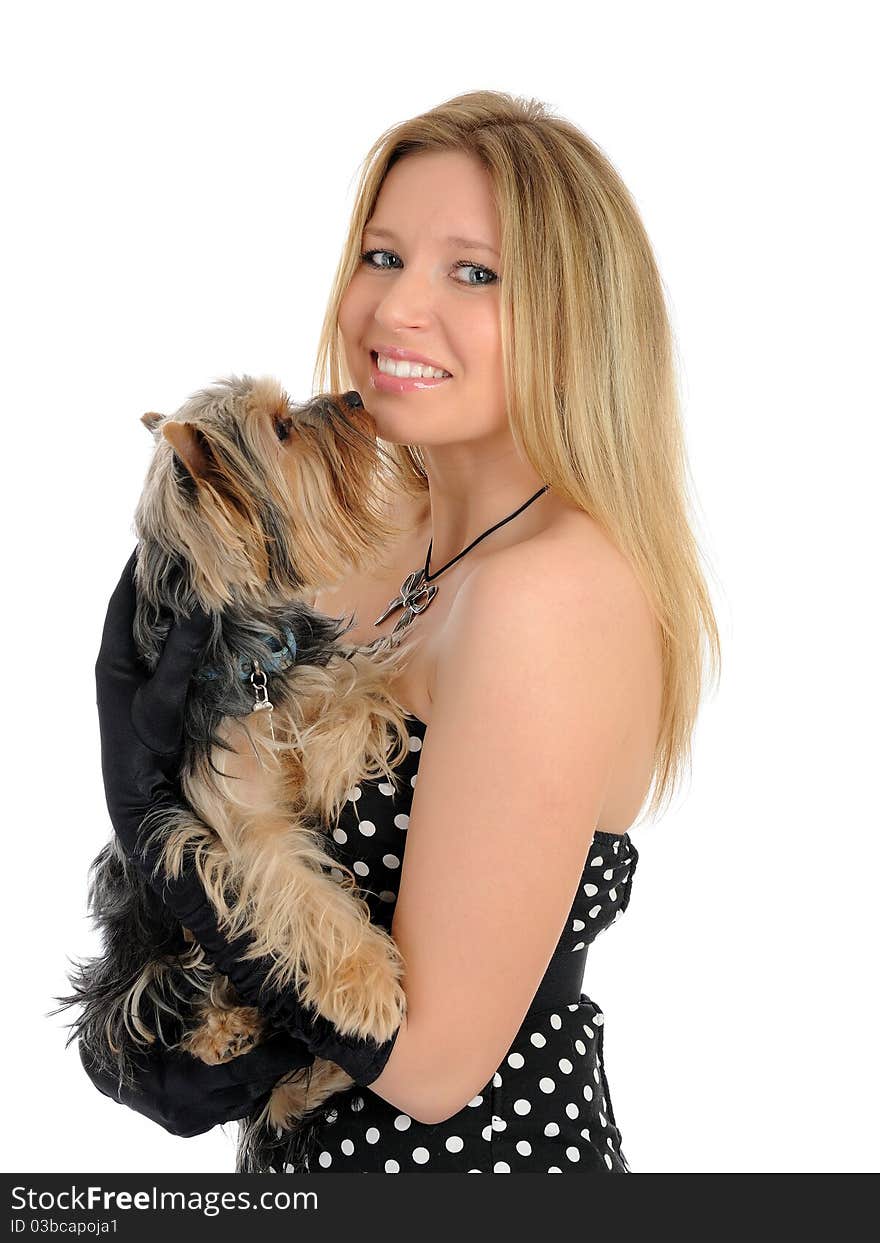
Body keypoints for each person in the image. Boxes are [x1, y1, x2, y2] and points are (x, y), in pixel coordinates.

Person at [83, 89, 720, 1173]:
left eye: (474, 272)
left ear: (575, 315)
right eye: (381, 256)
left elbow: (429, 1068)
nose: (393, 312)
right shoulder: (371, 550)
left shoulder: (553, 592)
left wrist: (166, 838)